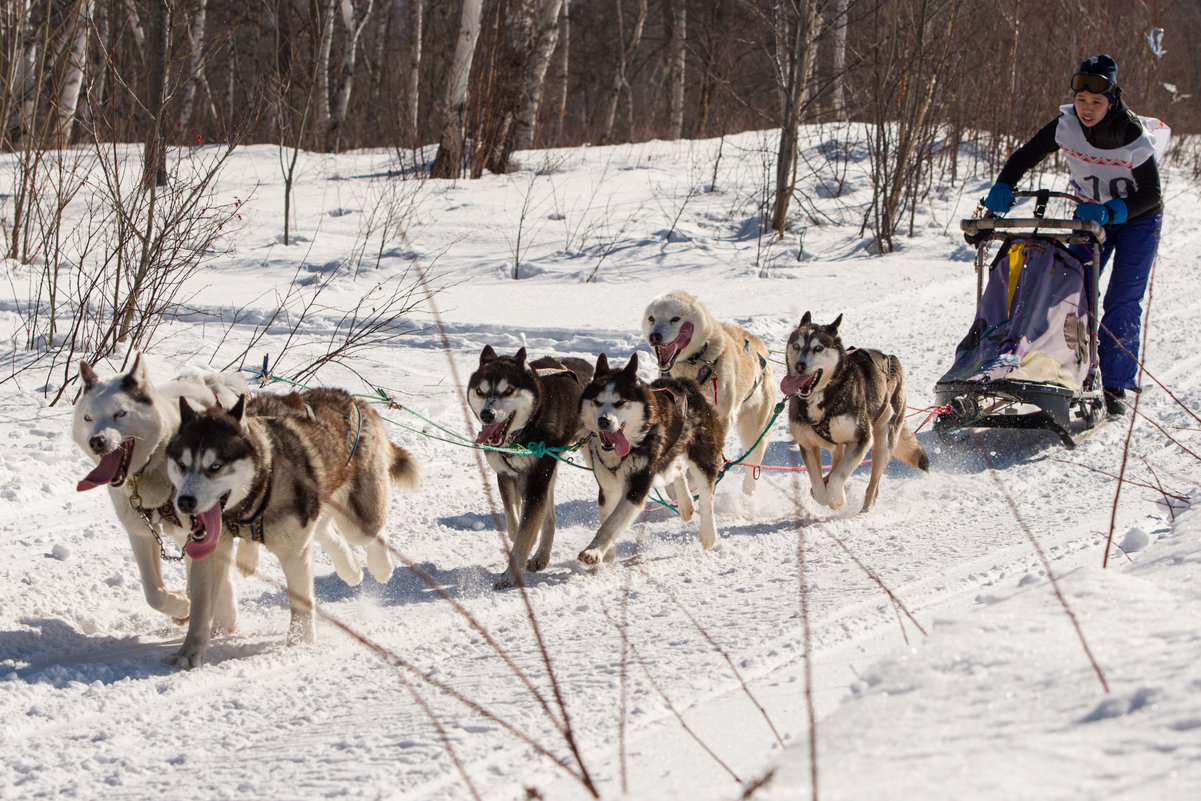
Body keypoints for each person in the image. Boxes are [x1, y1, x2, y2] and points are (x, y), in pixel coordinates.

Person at [983, 54, 1169, 416]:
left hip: (1137, 219)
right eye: (1081, 101)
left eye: (1096, 102)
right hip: (1087, 217)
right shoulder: (1065, 126)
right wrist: (1005, 184)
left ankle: (1115, 384)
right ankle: (1065, 371)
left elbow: (1152, 194)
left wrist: (1115, 210)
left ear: (1111, 101)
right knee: (1070, 289)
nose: (1087, 109)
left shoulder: (1134, 136)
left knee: (1122, 299)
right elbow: (1024, 155)